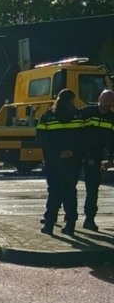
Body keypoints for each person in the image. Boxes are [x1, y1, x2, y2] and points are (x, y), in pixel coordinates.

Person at [36, 89, 88, 236]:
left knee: (54, 192)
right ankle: (70, 225)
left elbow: (40, 139)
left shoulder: (47, 117)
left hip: (54, 161)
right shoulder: (79, 116)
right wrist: (72, 152)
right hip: (73, 161)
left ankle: (49, 225)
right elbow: (84, 139)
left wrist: (57, 154)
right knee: (70, 192)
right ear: (72, 100)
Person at [80, 89, 114, 231]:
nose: (108, 103)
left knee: (92, 189)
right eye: (106, 99)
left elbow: (113, 141)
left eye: (111, 101)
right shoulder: (86, 112)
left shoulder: (112, 118)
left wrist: (110, 159)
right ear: (99, 98)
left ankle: (89, 219)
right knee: (66, 186)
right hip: (78, 153)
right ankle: (62, 215)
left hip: (96, 156)